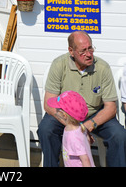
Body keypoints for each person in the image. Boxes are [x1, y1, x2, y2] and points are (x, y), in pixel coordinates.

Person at [38, 30, 126, 167]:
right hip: (66, 115)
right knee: (45, 130)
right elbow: (49, 104)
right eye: (83, 51)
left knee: (119, 135)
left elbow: (111, 107)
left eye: (90, 48)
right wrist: (73, 125)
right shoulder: (59, 64)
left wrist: (86, 127)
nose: (89, 54)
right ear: (71, 51)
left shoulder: (102, 67)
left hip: (95, 113)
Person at [47, 90, 95, 167]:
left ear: (63, 115)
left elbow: (85, 160)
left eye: (57, 108)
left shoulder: (73, 136)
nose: (55, 109)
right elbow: (88, 142)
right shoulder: (79, 127)